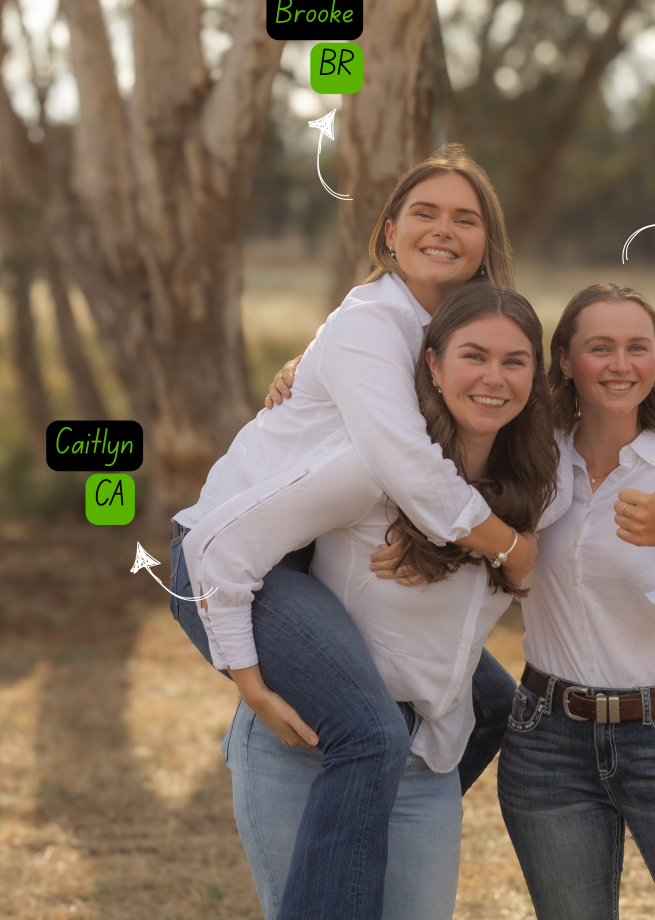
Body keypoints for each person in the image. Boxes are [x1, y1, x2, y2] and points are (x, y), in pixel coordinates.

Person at [169, 146, 538, 920]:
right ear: (387, 233)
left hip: (300, 543)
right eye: (425, 214)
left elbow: (490, 404)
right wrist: (504, 545)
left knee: (493, 703)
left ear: (486, 238)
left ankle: (367, 827)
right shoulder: (371, 323)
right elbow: (405, 463)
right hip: (233, 555)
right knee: (371, 731)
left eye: (465, 218)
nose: (445, 229)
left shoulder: (453, 327)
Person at [493, 282, 655, 920]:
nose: (621, 365)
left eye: (638, 347)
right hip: (546, 741)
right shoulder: (533, 456)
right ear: (563, 360)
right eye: (600, 347)